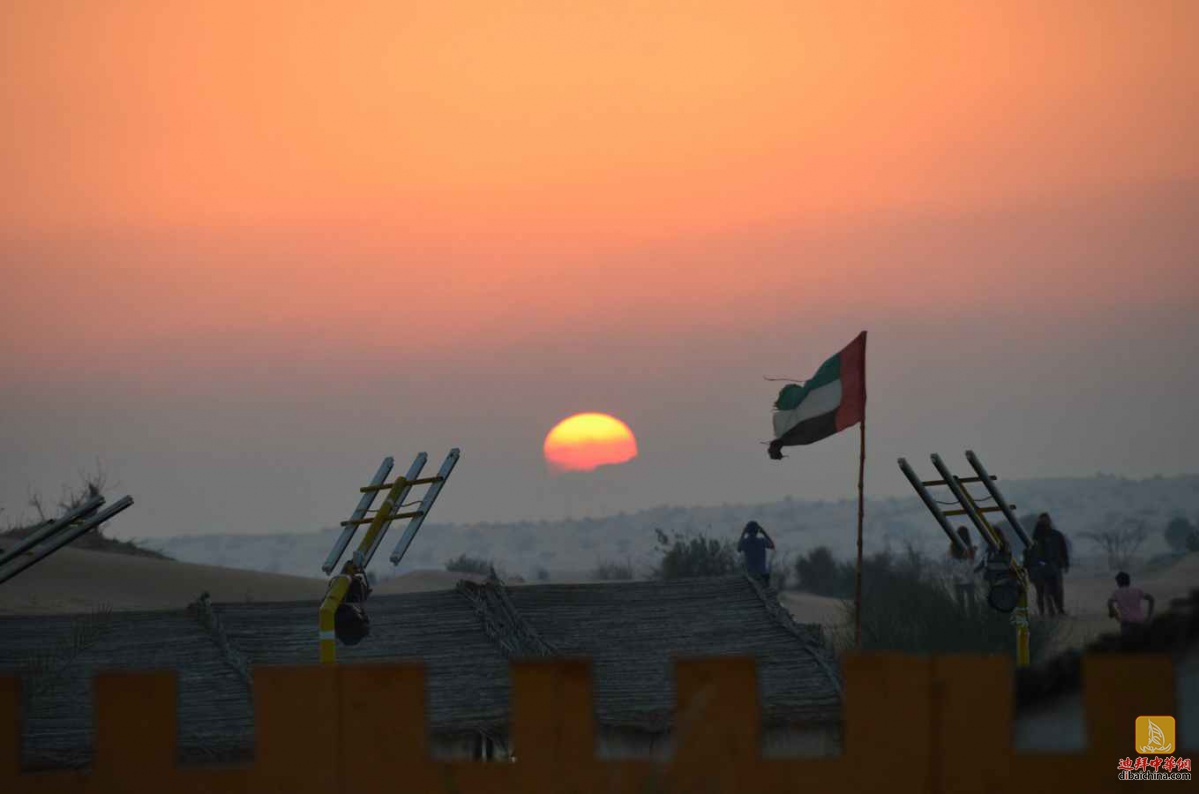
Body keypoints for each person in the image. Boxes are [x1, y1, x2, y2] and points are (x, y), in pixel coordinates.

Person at [1027, 514, 1070, 616]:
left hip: (1054, 566)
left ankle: (1059, 609)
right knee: (1042, 591)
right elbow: (1030, 555)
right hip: (1040, 568)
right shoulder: (1035, 537)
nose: (1045, 523)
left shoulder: (1057, 535)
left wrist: (1065, 563)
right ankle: (1047, 611)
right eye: (1043, 521)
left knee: (1057, 589)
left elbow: (1063, 550)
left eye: (1046, 521)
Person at [1107, 571, 1155, 639]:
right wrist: (1149, 616)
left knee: (1128, 646)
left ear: (1118, 582)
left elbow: (1109, 602)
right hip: (1140, 622)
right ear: (1129, 581)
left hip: (1127, 624)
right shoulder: (1137, 590)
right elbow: (1151, 599)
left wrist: (1113, 613)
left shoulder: (1117, 593)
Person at [947, 526, 978, 612]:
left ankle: (962, 621)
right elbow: (972, 563)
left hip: (958, 579)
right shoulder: (970, 548)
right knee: (972, 603)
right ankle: (972, 620)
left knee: (961, 604)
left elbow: (951, 563)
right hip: (969, 578)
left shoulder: (953, 547)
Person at [737, 521, 775, 587]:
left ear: (747, 531)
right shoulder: (762, 541)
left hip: (751, 577)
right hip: (763, 575)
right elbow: (772, 545)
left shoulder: (745, 542)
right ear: (757, 531)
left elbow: (738, 549)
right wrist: (764, 532)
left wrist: (743, 533)